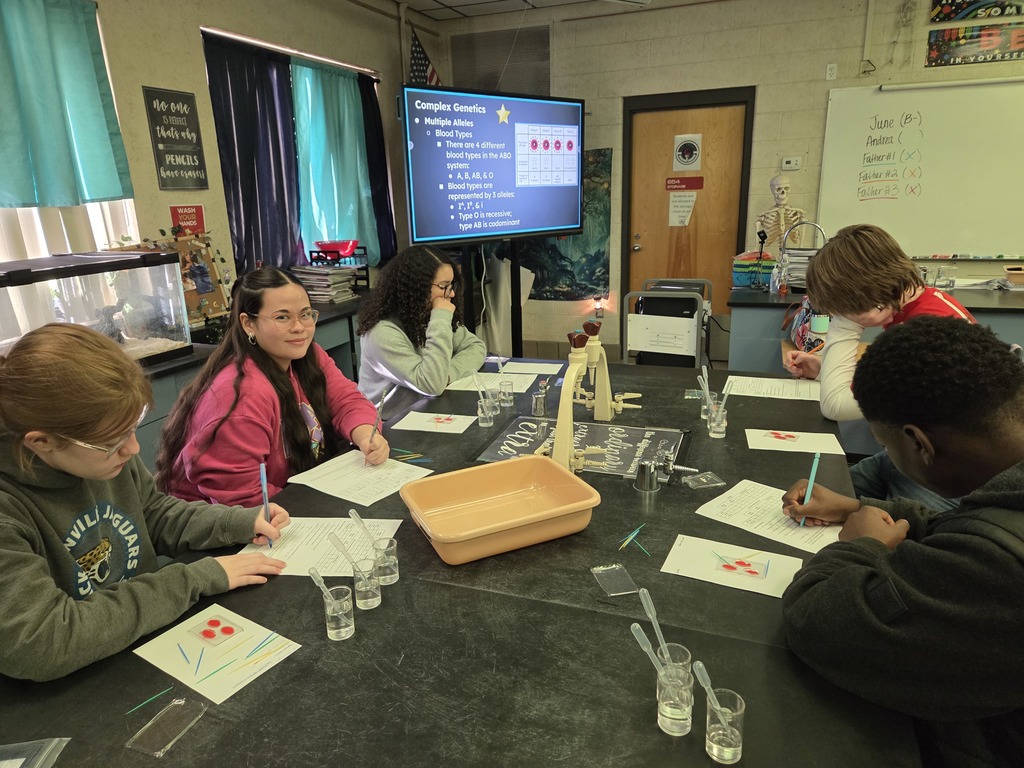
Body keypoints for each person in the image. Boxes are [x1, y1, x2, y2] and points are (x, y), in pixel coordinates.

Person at [781, 317, 1024, 767]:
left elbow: (818, 620)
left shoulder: (999, 567)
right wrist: (856, 508)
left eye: (886, 445)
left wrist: (860, 546)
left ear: (918, 443)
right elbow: (974, 525)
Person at [0, 324, 288, 681]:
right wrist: (193, 579)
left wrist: (235, 522)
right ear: (40, 443)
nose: (133, 449)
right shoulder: (8, 508)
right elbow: (42, 641)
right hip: (73, 691)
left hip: (145, 643)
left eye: (132, 428)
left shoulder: (102, 454)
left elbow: (152, 514)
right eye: (112, 442)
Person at [156, 268, 387, 507]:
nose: (299, 327)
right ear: (248, 324)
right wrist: (322, 503)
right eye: (282, 317)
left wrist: (365, 436)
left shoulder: (307, 356)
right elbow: (244, 500)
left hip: (287, 503)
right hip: (235, 528)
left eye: (306, 314)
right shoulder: (243, 395)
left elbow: (347, 401)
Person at [785, 224, 975, 422]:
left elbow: (835, 406)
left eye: (841, 310)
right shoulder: (922, 304)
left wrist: (846, 325)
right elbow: (886, 384)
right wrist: (822, 371)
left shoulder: (927, 334)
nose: (838, 315)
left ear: (865, 293)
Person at [356, 245, 485, 403]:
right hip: (389, 421)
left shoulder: (424, 313)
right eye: (444, 286)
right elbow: (432, 385)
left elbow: (475, 347)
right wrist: (441, 318)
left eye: (452, 286)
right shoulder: (381, 332)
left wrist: (447, 374)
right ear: (417, 286)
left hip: (427, 408)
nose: (451, 294)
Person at [756, 173, 805, 248]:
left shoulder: (795, 212)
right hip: (771, 254)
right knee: (758, 223)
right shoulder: (768, 213)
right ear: (773, 191)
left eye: (786, 188)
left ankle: (801, 247)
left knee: (804, 220)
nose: (783, 192)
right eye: (778, 189)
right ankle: (757, 248)